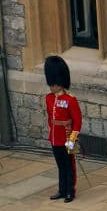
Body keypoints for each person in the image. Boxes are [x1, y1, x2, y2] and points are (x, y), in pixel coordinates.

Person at [44, 55, 82, 203]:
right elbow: (50, 118)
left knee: (69, 165)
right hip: (55, 137)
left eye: (54, 84)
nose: (52, 87)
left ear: (60, 83)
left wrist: (72, 139)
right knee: (60, 165)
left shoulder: (70, 100)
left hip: (67, 138)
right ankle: (62, 190)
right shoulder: (49, 98)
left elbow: (77, 121)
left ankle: (70, 191)